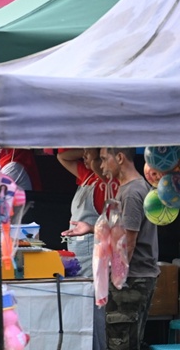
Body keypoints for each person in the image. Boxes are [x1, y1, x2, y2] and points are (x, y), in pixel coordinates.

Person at [67, 148, 157, 349]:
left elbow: (129, 243)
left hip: (131, 280)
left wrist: (114, 279)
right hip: (129, 278)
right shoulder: (125, 188)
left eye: (104, 159)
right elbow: (119, 232)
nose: (101, 165)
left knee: (121, 342)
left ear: (120, 158)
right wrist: (90, 228)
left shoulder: (133, 192)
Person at [58, 149, 109, 276]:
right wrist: (88, 152)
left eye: (88, 152)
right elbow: (62, 157)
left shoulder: (107, 183)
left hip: (92, 255)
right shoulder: (88, 175)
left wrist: (95, 153)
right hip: (76, 256)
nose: (83, 156)